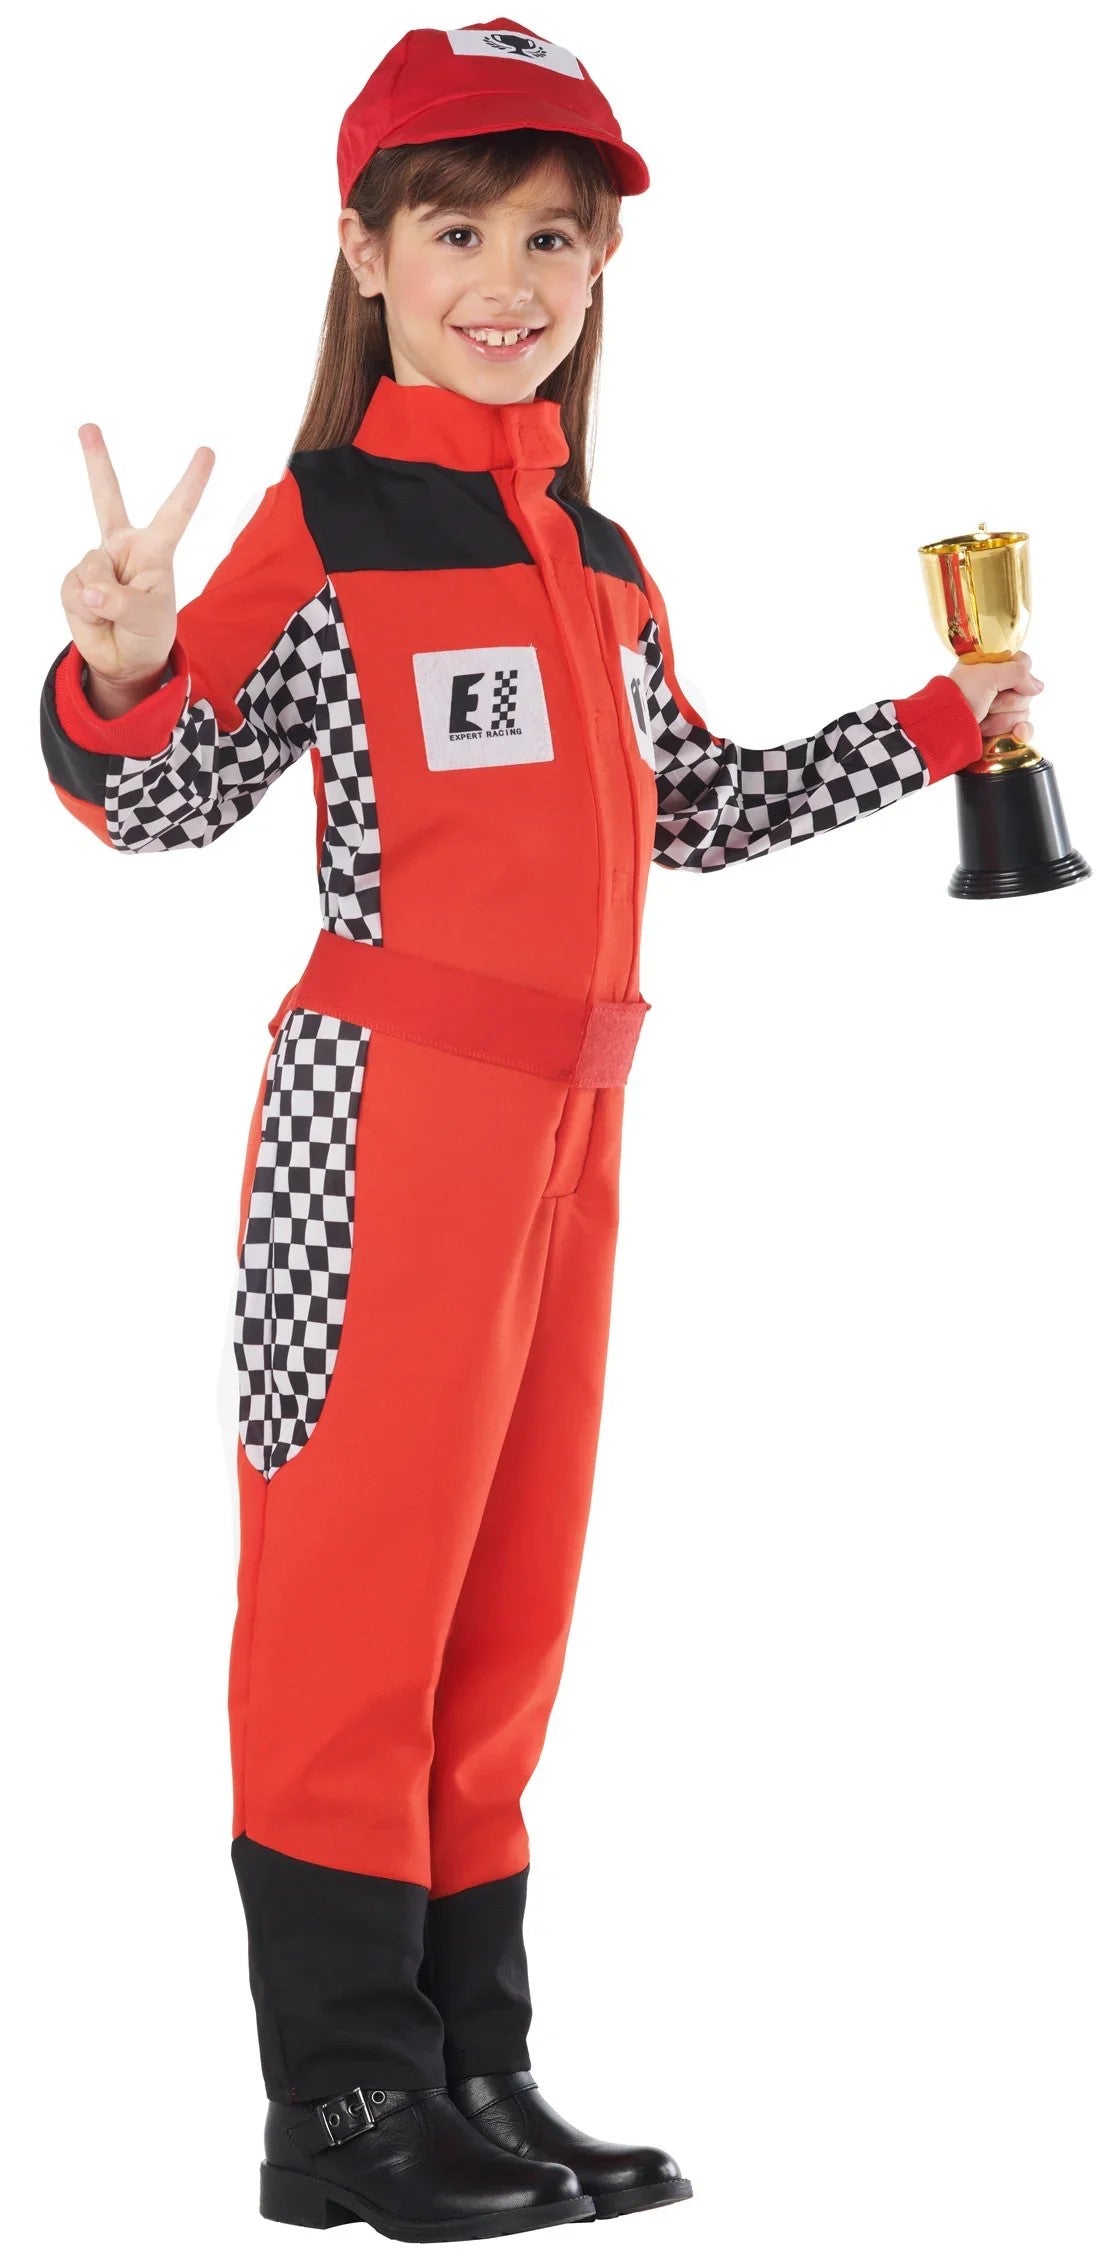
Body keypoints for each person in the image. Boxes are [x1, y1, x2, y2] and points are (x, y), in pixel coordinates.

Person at [38, 15, 1042, 2244]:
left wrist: (929, 723)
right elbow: (160, 800)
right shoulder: (327, 528)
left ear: (600, 270)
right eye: (460, 231)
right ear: (364, 254)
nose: (510, 279)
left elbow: (690, 805)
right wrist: (114, 667)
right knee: (352, 1600)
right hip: (381, 1118)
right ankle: (342, 2098)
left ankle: (469, 2058)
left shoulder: (595, 557)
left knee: (501, 1610)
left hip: (574, 1132)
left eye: (553, 240)